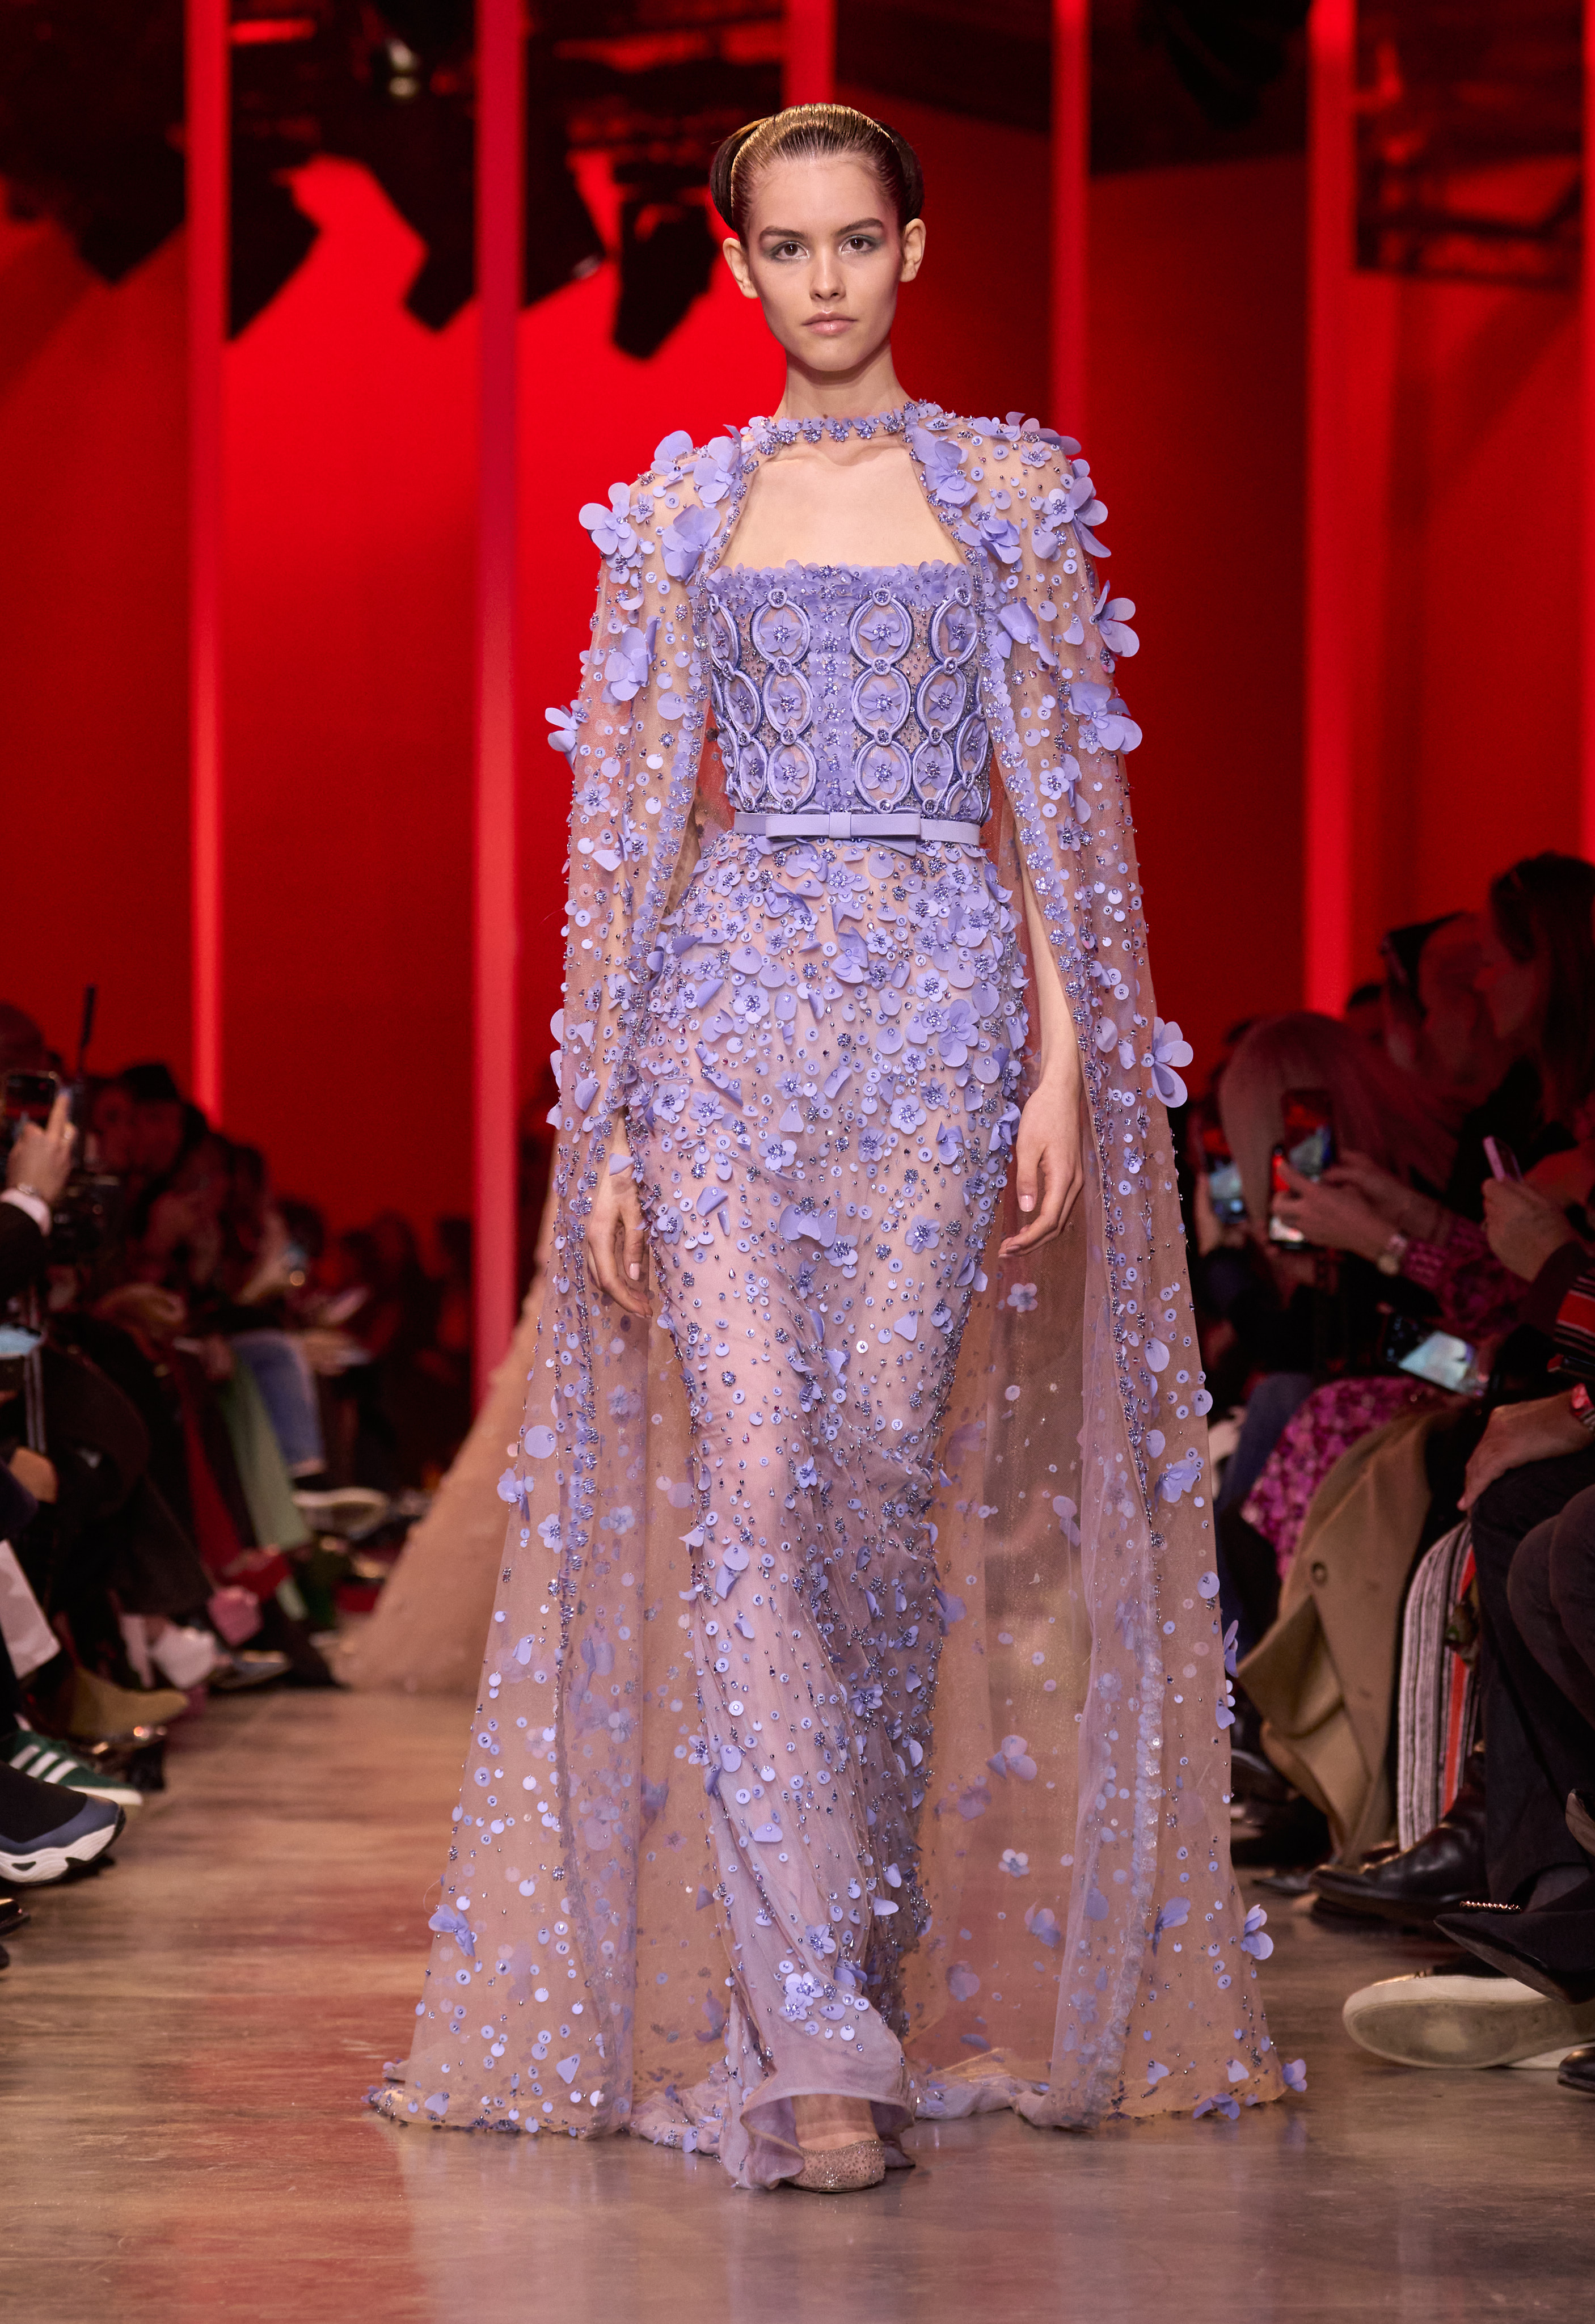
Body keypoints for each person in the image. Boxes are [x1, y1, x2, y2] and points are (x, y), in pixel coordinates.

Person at [372, 102, 1289, 2189]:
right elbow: (625, 848)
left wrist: (1065, 1065)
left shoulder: (1009, 494)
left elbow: (1058, 809)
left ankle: (851, 1954)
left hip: (943, 1008)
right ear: (735, 265)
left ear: (913, 248)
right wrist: (609, 1124)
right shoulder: (678, 514)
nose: (821, 281)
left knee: (875, 1473)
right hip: (722, 1022)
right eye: (783, 248)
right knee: (762, 1482)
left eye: (853, 241)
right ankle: (805, 2038)